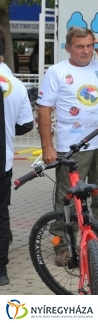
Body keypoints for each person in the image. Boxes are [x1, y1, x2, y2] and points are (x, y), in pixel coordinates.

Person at [37, 26, 98, 265]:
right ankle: (63, 245)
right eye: (79, 46)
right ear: (68, 48)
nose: (85, 51)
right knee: (68, 197)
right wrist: (47, 147)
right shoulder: (57, 72)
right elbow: (43, 109)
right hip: (71, 147)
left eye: (90, 46)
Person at [0, 34, 34, 285]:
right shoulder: (16, 84)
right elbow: (26, 125)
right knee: (1, 215)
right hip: (3, 162)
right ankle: (1, 271)